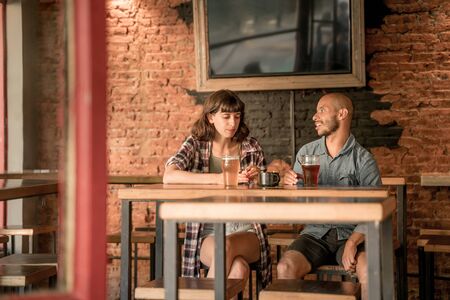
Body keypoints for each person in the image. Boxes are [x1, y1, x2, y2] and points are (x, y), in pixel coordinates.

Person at [163, 89, 271, 291]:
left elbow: (266, 192)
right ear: (211, 117)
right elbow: (169, 176)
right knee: (238, 268)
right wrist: (220, 179)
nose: (233, 123)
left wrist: (258, 178)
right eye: (226, 116)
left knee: (228, 246)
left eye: (237, 117)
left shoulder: (250, 146)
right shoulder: (195, 144)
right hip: (208, 230)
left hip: (247, 230)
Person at [278, 93, 381, 299]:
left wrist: (352, 242)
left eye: (321, 110)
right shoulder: (306, 152)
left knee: (368, 269)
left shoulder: (364, 160)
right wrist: (287, 185)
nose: (314, 117)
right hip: (315, 233)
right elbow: (297, 203)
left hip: (350, 234)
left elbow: (376, 207)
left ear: (342, 114)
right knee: (285, 267)